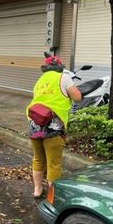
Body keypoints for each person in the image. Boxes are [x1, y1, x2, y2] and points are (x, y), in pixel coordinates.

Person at [26, 56, 82, 199]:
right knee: (54, 163)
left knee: (38, 159)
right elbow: (77, 97)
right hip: (53, 127)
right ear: (60, 66)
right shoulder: (64, 78)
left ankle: (37, 190)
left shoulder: (40, 80)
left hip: (34, 125)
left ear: (45, 67)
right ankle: (52, 196)